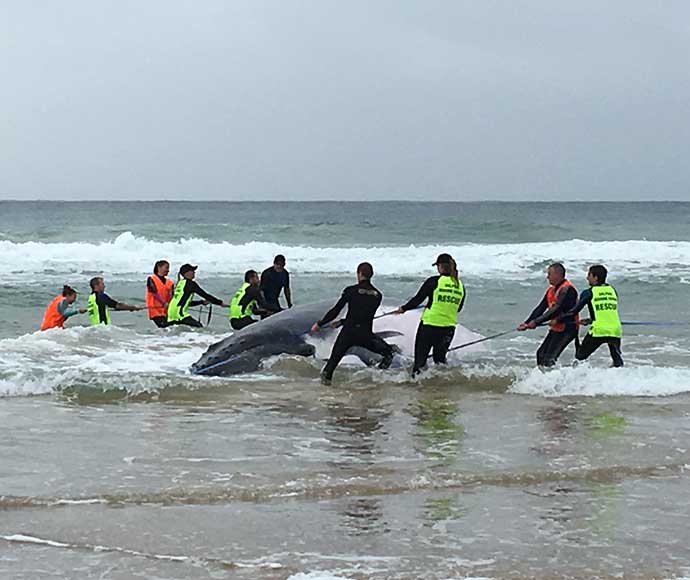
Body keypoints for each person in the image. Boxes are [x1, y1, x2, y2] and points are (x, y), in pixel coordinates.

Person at [310, 262, 393, 385]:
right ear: (371, 275)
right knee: (389, 353)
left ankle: (325, 394)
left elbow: (336, 310)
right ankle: (376, 377)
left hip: (348, 334)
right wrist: (341, 322)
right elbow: (363, 315)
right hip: (365, 335)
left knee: (330, 366)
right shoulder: (377, 295)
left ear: (359, 273)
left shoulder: (351, 291)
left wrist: (319, 324)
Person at [395, 253, 465, 376]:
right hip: (448, 329)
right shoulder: (460, 286)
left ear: (441, 267)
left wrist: (403, 308)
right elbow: (458, 308)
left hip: (429, 326)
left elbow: (418, 299)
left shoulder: (434, 281)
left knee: (419, 364)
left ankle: (417, 389)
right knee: (440, 363)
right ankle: (439, 389)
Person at [517, 262, 579, 367]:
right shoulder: (551, 290)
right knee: (540, 354)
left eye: (549, 274)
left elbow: (556, 309)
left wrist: (536, 322)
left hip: (568, 329)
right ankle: (543, 380)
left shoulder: (567, 289)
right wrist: (526, 323)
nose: (547, 277)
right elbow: (540, 308)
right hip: (557, 328)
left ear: (557, 275)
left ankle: (556, 381)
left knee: (549, 359)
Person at [567, 264, 623, 367]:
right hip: (615, 329)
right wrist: (590, 320)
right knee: (617, 361)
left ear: (595, 278)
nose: (587, 278)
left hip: (599, 330)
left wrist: (558, 319)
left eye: (589, 275)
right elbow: (605, 310)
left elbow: (573, 312)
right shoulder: (612, 290)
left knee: (580, 357)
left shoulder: (589, 292)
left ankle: (576, 379)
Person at [146, 260, 174, 328]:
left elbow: (172, 296)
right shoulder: (151, 279)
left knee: (170, 327)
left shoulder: (170, 282)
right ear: (159, 267)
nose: (168, 270)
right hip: (155, 310)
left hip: (166, 311)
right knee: (163, 326)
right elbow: (154, 293)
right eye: (166, 268)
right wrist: (163, 302)